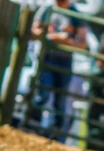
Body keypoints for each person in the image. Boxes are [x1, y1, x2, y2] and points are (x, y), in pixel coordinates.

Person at [31, 0, 88, 142]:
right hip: (46, 57)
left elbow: (83, 44)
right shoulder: (46, 9)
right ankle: (32, 126)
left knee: (60, 99)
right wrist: (53, 37)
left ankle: (55, 134)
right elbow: (34, 32)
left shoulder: (75, 15)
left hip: (64, 61)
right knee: (42, 93)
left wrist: (68, 42)